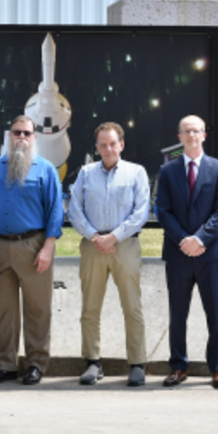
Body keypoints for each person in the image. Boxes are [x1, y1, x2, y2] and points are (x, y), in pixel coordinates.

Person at [0, 116, 64, 386]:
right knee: (3, 310)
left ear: (35, 137)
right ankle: (5, 365)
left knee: (37, 309)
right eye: (17, 132)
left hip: (33, 245)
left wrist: (48, 246)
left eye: (27, 133)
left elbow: (55, 211)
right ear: (9, 135)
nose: (22, 137)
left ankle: (36, 364)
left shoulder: (46, 170)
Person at [68, 122, 150, 387]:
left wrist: (113, 237)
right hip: (92, 245)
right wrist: (95, 237)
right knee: (90, 307)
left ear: (121, 144)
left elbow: (140, 213)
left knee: (132, 306)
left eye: (112, 143)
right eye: (102, 144)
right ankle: (92, 361)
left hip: (124, 245)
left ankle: (137, 363)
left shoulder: (136, 173)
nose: (108, 149)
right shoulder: (85, 173)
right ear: (96, 147)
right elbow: (75, 209)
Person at [156, 115, 218, 389]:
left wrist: (199, 239)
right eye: (186, 131)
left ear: (204, 135)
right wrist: (183, 240)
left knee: (216, 313)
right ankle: (178, 366)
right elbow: (162, 211)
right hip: (178, 255)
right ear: (179, 137)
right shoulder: (168, 171)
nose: (191, 135)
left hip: (210, 254)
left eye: (196, 130)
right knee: (178, 314)